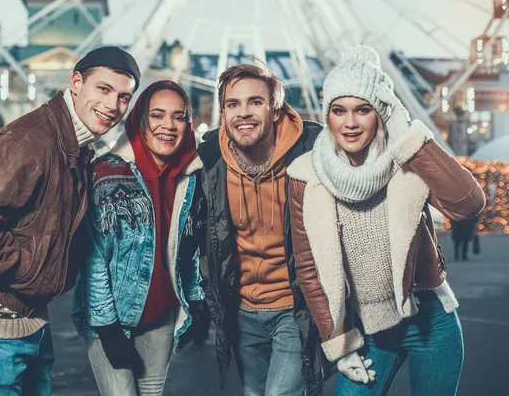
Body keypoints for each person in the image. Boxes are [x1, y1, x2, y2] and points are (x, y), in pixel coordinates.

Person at [0, 46, 140, 396]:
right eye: (104, 90)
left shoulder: (73, 146)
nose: (114, 106)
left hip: (26, 312)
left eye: (124, 97)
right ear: (76, 82)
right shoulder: (30, 141)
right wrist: (25, 272)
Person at [287, 45, 486, 396]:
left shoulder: (407, 159)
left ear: (380, 113)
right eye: (339, 110)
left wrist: (405, 130)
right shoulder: (304, 176)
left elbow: (467, 204)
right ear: (327, 113)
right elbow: (309, 269)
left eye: (363, 109)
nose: (350, 123)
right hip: (367, 330)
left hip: (430, 322)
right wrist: (338, 341)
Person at [197, 62, 332, 396]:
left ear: (275, 110)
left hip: (295, 307)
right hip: (241, 311)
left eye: (255, 102)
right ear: (223, 112)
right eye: (233, 104)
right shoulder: (209, 160)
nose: (243, 113)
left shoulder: (314, 150)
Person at [72, 80, 205, 396]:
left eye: (178, 116)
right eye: (157, 115)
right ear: (140, 120)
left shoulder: (189, 178)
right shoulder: (104, 174)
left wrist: (196, 299)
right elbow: (93, 260)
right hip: (114, 319)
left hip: (162, 316)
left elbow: (187, 247)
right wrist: (106, 328)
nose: (168, 125)